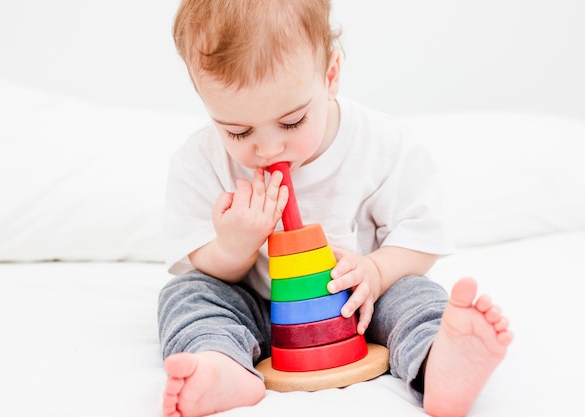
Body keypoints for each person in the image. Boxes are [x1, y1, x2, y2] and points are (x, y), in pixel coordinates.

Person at [158, 1, 513, 416]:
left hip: (358, 304)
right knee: (187, 295)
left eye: (291, 123)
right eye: (238, 131)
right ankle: (221, 363)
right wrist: (234, 246)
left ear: (330, 75)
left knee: (414, 293)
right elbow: (198, 259)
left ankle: (438, 360)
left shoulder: (379, 144)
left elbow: (424, 234)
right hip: (258, 310)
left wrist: (377, 273)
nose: (268, 148)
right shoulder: (199, 160)